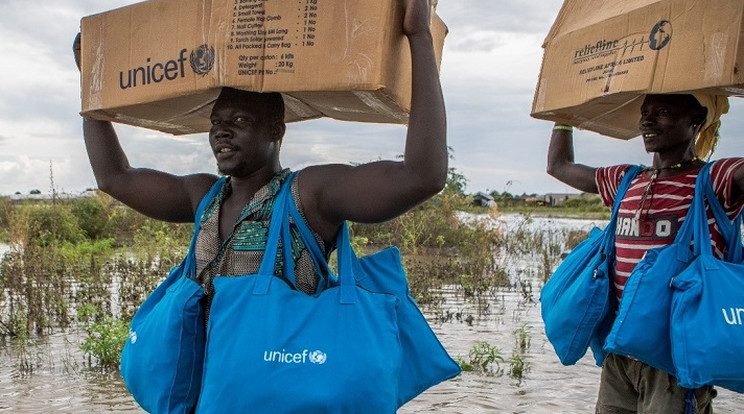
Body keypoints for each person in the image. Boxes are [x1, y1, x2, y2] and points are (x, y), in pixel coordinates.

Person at [73, 0, 445, 301]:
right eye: (216, 122)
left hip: (286, 386)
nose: (221, 132)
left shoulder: (309, 196)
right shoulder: (203, 197)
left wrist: (418, 36)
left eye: (239, 122)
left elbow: (421, 177)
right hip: (212, 392)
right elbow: (114, 178)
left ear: (276, 131)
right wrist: (92, 84)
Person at [546, 93, 744, 413]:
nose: (647, 122)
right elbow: (559, 166)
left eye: (663, 112)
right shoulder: (626, 181)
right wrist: (563, 115)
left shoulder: (713, 181)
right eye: (644, 113)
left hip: (674, 358)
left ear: (696, 121)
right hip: (621, 351)